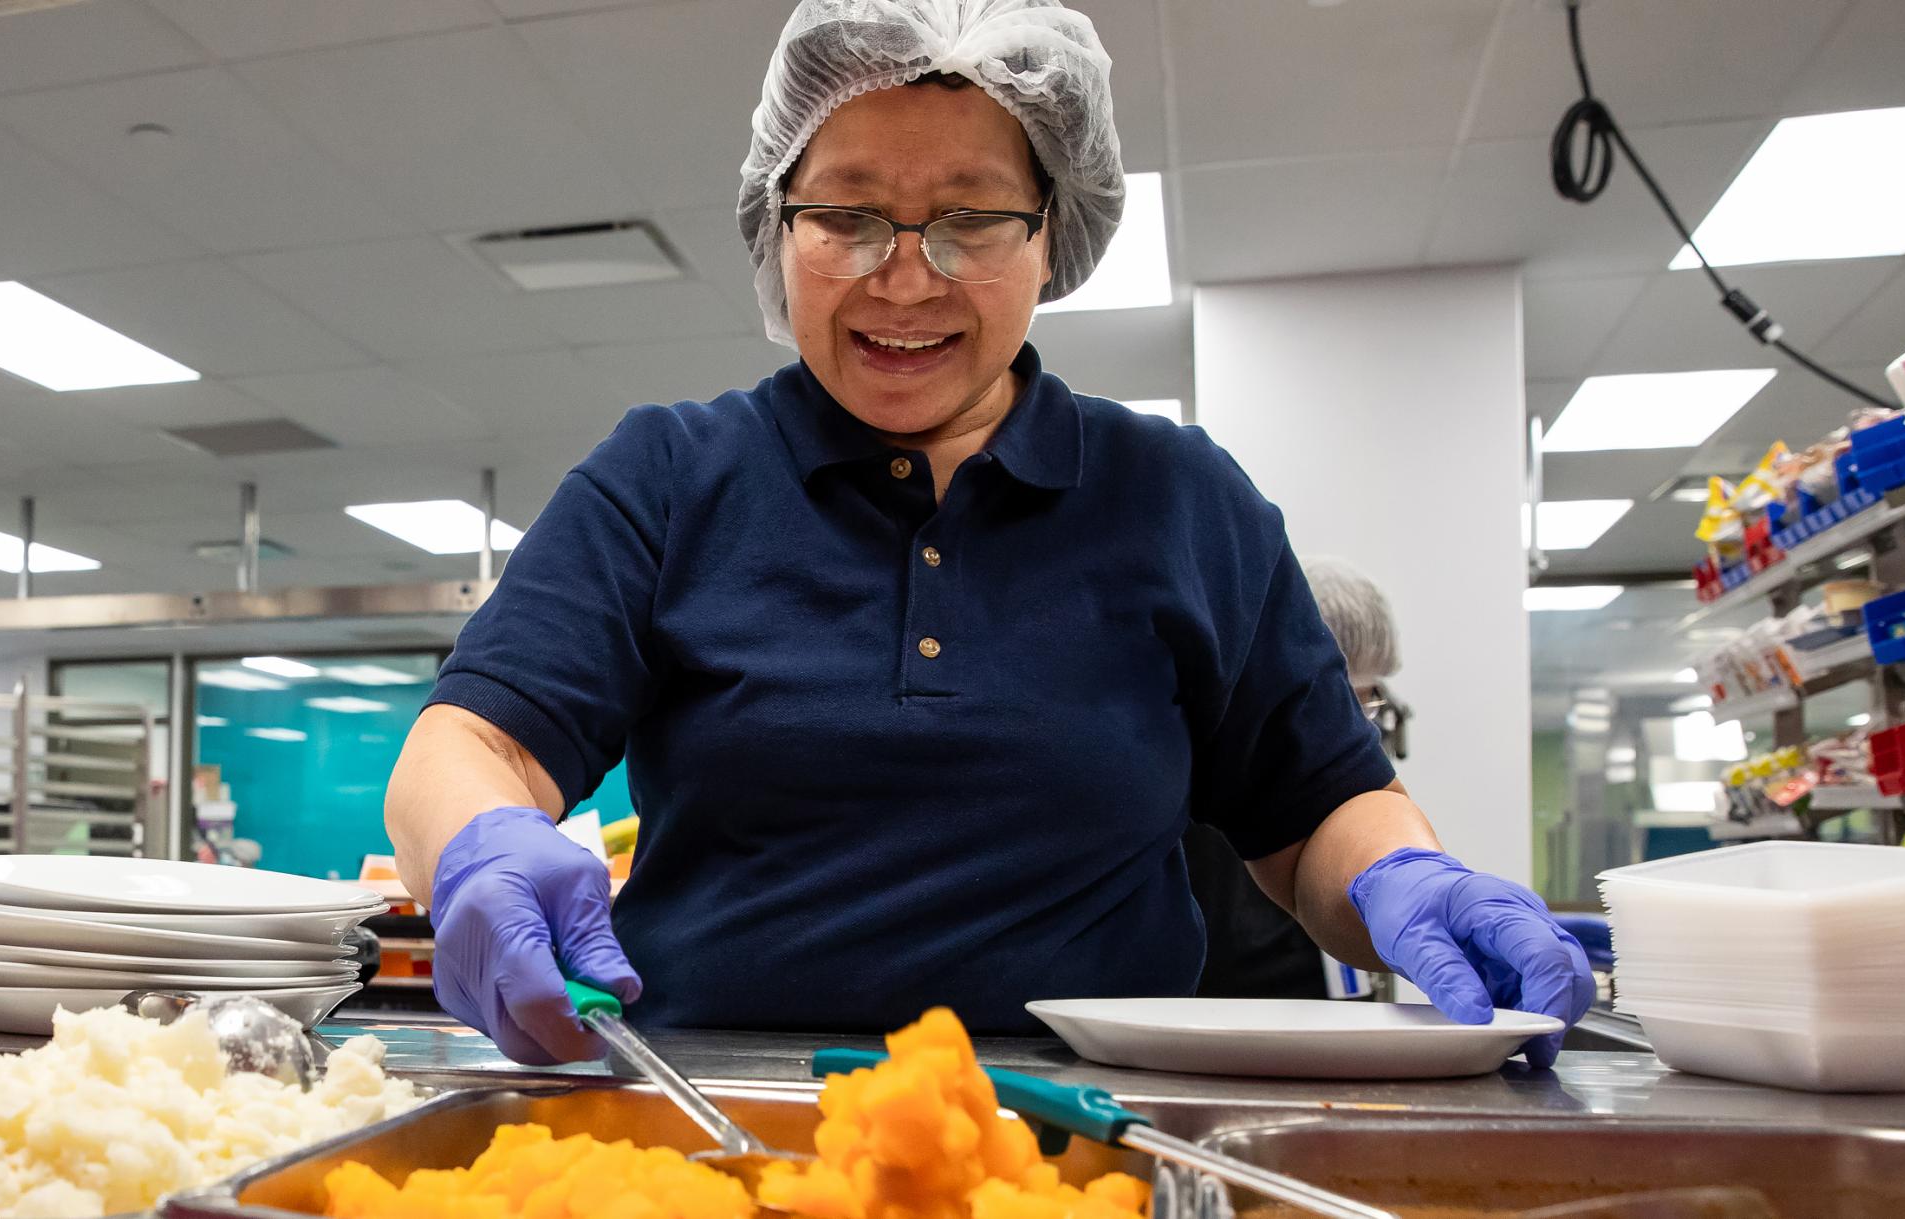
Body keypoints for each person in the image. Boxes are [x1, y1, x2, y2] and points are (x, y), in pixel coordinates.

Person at [385, 0, 1590, 1068]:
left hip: (1092, 1127)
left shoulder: (1179, 498)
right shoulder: (666, 477)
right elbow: (471, 738)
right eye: (847, 217)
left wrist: (1402, 879)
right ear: (776, 223)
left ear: (1049, 234)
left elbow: (1317, 810)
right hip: (715, 1110)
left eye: (969, 220)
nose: (905, 280)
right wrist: (478, 841)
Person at [1186, 558, 1408, 1001]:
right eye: (1353, 697)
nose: (1362, 721)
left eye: (1370, 699)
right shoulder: (1224, 759)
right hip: (1236, 1019)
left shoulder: (1345, 773)